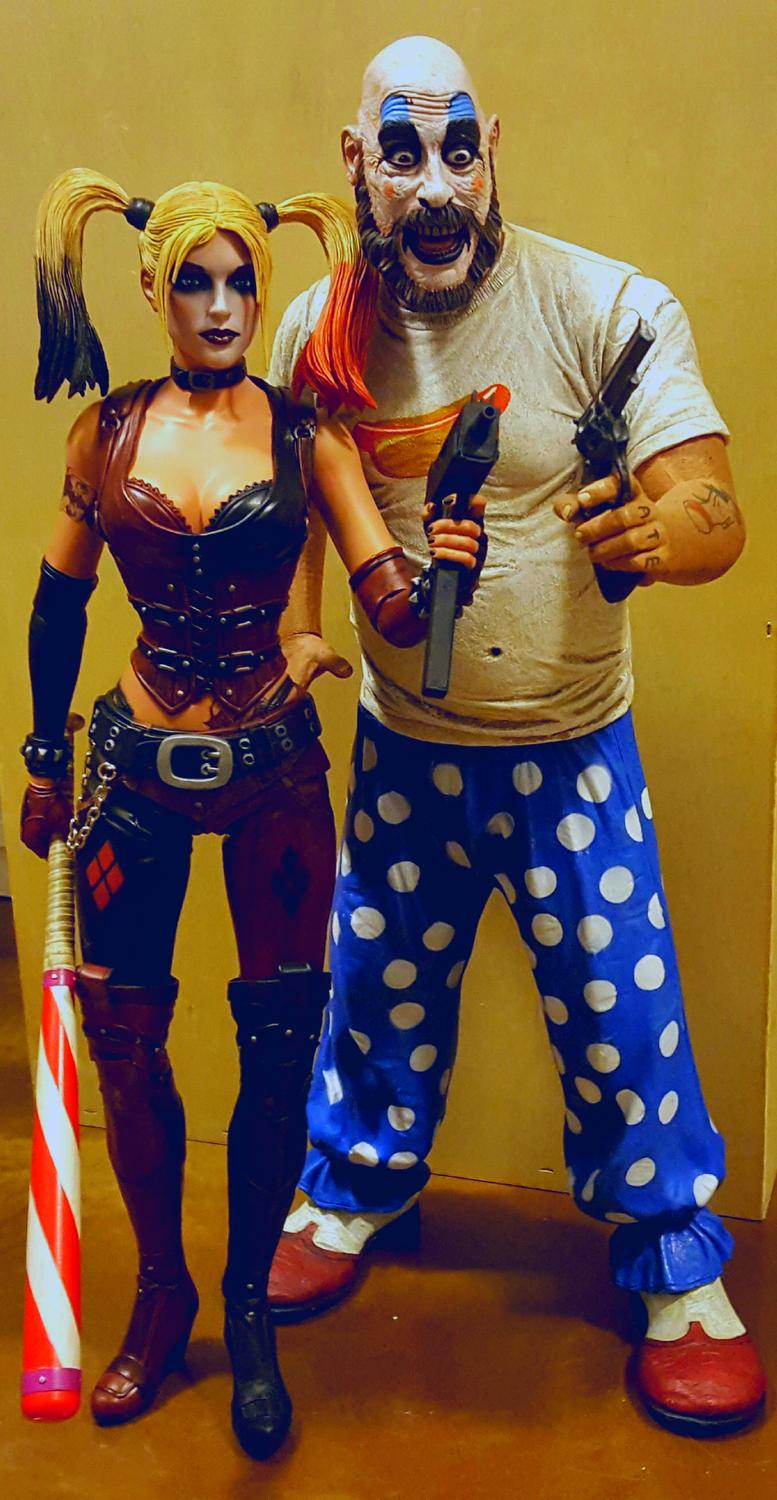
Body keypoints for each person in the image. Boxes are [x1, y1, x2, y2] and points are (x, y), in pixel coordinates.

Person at [265, 36, 767, 1435]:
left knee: (619, 1007)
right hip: (403, 745)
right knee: (376, 986)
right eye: (401, 152)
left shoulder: (607, 307)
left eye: (458, 149)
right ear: (355, 164)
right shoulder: (316, 328)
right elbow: (302, 498)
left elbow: (716, 507)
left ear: (494, 150)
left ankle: (673, 1257)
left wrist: (659, 531)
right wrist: (297, 629)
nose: (435, 188)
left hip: (569, 752)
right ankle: (355, 1181)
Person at [20, 167, 485, 1457]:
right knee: (127, 1039)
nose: (221, 306)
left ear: (261, 291)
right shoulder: (106, 436)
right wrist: (43, 757)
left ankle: (245, 1308)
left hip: (274, 768)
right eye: (195, 282)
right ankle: (162, 1295)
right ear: (156, 290)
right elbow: (60, 604)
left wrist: (445, 567)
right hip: (134, 771)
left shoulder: (307, 437)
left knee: (281, 1042)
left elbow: (394, 609)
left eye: (240, 283)